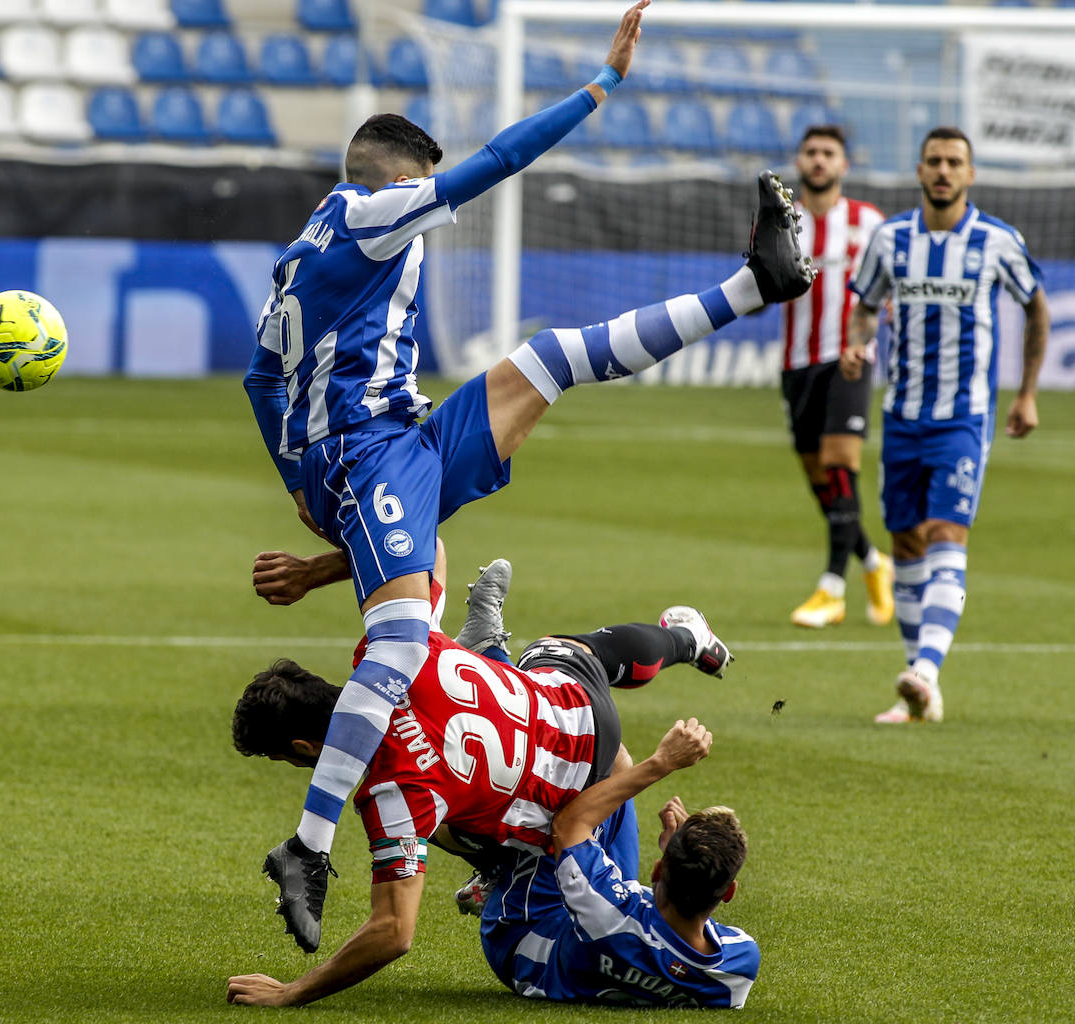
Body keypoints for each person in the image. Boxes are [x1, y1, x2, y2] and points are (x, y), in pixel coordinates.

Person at [239, 0, 814, 952]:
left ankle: (756, 283)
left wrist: (298, 482)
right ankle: (307, 842)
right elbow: (499, 160)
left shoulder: (298, 257)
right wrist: (604, 83)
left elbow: (264, 378)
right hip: (372, 453)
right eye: (425, 193)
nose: (432, 211)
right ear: (397, 182)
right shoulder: (378, 217)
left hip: (400, 439)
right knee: (395, 646)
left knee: (551, 357)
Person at [224, 568, 734, 1008]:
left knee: (445, 817)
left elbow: (393, 934)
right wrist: (318, 570)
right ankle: (683, 640)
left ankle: (499, 867)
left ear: (306, 748)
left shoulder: (393, 791)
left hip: (564, 826)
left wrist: (292, 991)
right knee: (577, 651)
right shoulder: (395, 645)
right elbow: (432, 551)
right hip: (579, 711)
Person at [840, 126, 1049, 724]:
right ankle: (919, 688)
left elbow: (1036, 306)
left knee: (945, 534)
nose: (943, 171)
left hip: (963, 418)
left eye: (954, 162)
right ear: (919, 169)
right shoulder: (889, 240)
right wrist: (858, 345)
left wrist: (1027, 393)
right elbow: (865, 309)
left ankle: (927, 669)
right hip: (902, 415)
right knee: (905, 542)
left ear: (970, 174)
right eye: (934, 160)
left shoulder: (996, 241)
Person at [479, 727, 759, 1008]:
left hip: (523, 935)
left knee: (609, 760)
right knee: (616, 791)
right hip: (606, 927)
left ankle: (485, 859)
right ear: (728, 892)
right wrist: (682, 856)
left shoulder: (610, 917)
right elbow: (678, 939)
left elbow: (568, 824)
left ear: (658, 871)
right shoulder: (739, 966)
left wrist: (663, 761)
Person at [779, 125, 894, 630]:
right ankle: (873, 561)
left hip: (850, 357)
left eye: (829, 153)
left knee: (841, 462)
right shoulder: (782, 222)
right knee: (819, 478)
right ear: (799, 161)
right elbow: (761, 287)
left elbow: (889, 288)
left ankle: (832, 587)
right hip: (796, 363)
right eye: (812, 153)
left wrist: (862, 342)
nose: (819, 161)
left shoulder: (869, 223)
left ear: (845, 165)